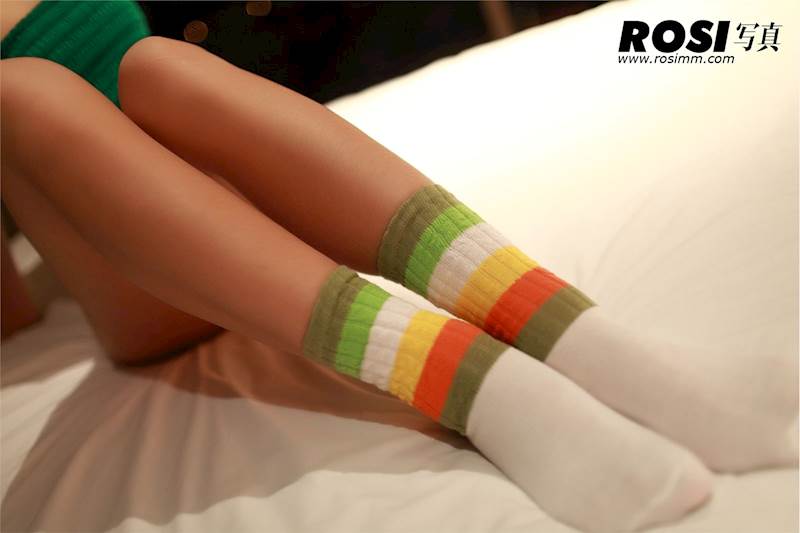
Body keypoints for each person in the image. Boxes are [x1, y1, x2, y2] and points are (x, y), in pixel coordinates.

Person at [1, 3, 796, 532]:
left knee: (154, 64)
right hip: (136, 273)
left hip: (202, 200)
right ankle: (473, 381)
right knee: (23, 89)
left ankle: (578, 337)